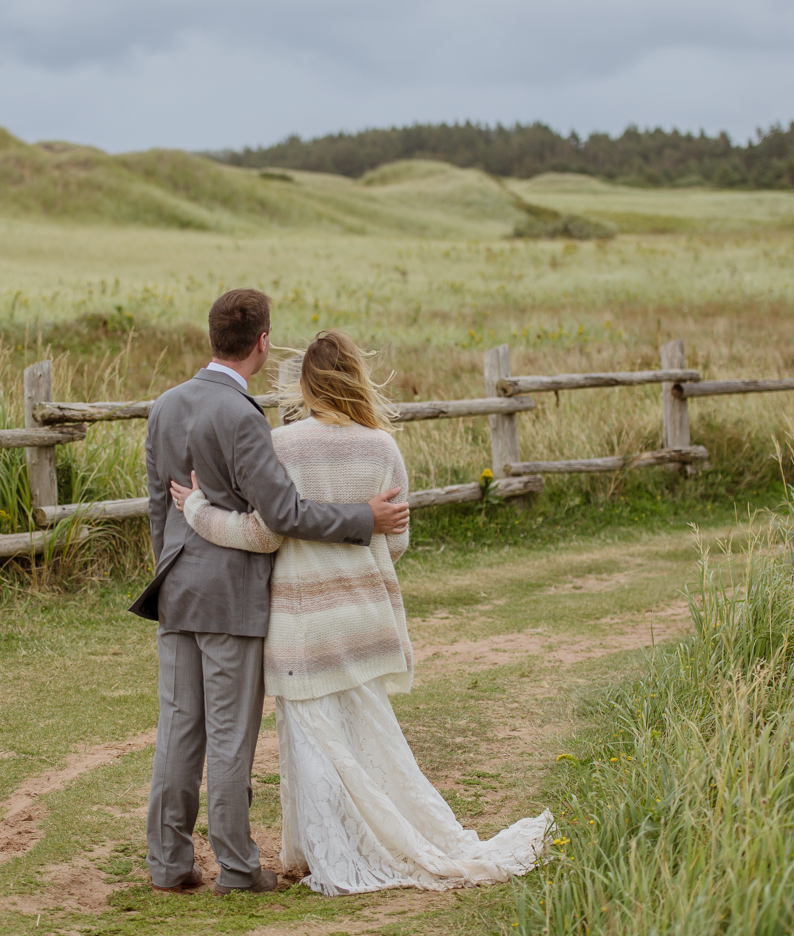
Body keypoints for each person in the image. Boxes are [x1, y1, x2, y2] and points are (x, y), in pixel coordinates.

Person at [168, 329, 552, 896]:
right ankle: (360, 841)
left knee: (314, 743)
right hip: (363, 620)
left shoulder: (283, 444)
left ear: (307, 383)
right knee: (370, 740)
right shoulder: (383, 447)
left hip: (303, 626)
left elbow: (265, 534)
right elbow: (395, 542)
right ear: (355, 378)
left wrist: (197, 509)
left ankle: (332, 851)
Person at [130, 289, 410, 897]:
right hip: (232, 599)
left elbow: (159, 509)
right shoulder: (241, 416)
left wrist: (173, 569)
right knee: (230, 736)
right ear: (262, 342)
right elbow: (282, 513)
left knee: (178, 730)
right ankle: (235, 867)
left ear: (211, 338)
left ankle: (169, 863)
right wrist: (364, 517)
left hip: (176, 589)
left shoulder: (165, 406)